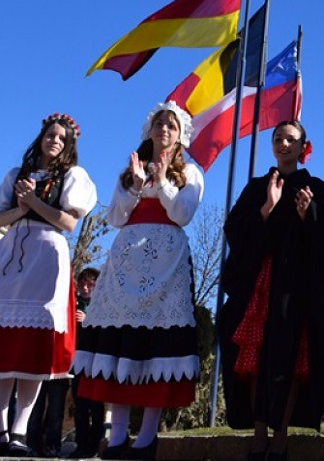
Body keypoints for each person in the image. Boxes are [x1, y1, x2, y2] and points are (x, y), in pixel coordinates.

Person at [72, 101, 203, 461]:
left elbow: (183, 213)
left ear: (180, 136)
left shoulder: (191, 173)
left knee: (155, 348)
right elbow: (115, 217)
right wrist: (134, 186)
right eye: (160, 123)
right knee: (122, 345)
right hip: (126, 262)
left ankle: (146, 438)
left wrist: (161, 183)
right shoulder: (131, 169)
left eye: (172, 125)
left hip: (166, 263)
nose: (164, 129)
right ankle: (116, 438)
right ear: (150, 130)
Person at [219, 120, 324, 461]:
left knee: (289, 361)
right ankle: (259, 433)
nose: (283, 144)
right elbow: (236, 231)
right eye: (278, 138)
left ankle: (280, 435)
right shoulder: (258, 187)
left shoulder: (314, 186)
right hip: (259, 284)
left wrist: (308, 216)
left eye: (291, 139)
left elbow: (323, 240)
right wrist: (266, 210)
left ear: (304, 146)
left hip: (296, 288)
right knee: (255, 359)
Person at [0, 113, 96, 457]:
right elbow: (1, 217)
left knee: (35, 348)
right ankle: (0, 428)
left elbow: (68, 222)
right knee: (6, 343)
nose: (55, 140)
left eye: (62, 138)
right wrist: (22, 206)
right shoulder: (16, 175)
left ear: (68, 145)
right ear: (41, 137)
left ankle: (20, 432)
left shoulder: (72, 176)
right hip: (12, 252)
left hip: (48, 256)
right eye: (51, 135)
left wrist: (34, 203)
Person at [67, 267, 104, 459]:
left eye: (90, 285)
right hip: (78, 360)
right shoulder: (73, 302)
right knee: (80, 404)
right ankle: (81, 444)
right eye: (82, 284)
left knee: (96, 405)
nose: (85, 289)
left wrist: (87, 319)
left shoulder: (104, 304)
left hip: (96, 361)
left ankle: (95, 444)